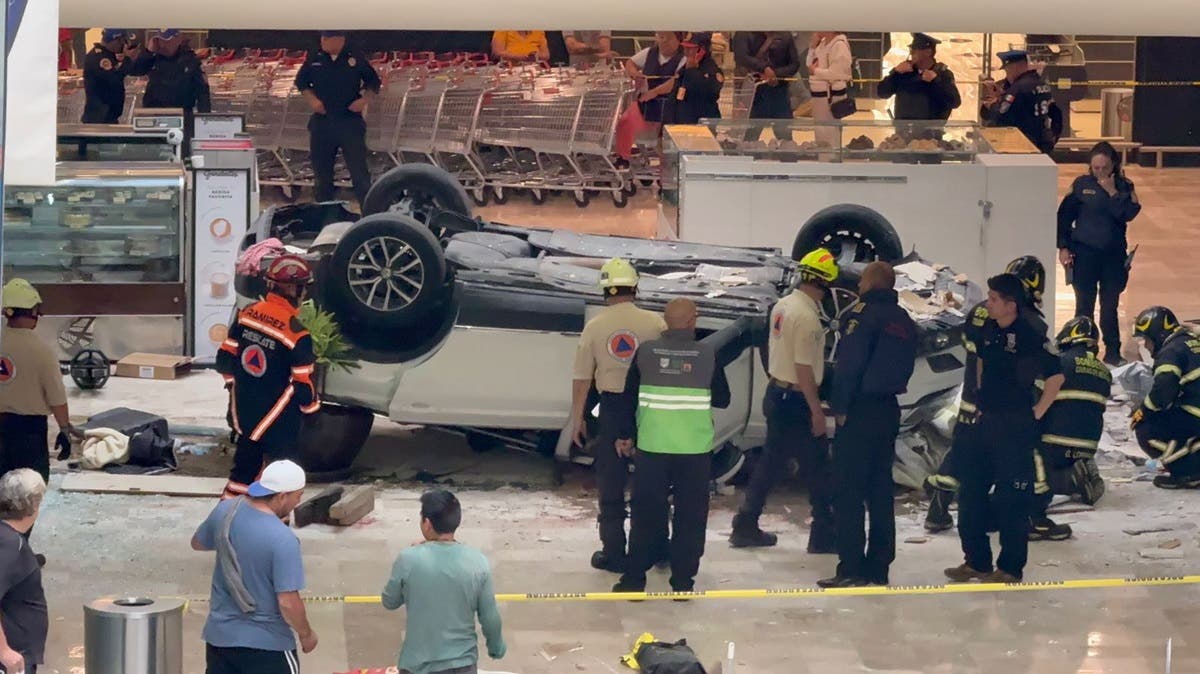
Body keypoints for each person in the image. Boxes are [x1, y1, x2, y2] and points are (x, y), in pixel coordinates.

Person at [945, 273, 1063, 584]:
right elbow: (981, 361)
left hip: (1015, 426)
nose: (988, 303)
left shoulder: (1031, 333)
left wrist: (1036, 413)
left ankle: (1009, 567)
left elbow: (1055, 377)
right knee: (971, 492)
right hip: (985, 422)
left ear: (1011, 305)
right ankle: (977, 561)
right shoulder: (989, 328)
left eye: (994, 299)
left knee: (1012, 499)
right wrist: (982, 397)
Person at [612, 299, 731, 594]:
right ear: (693, 321)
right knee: (690, 517)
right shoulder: (708, 355)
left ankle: (634, 580)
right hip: (694, 451)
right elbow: (723, 398)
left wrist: (625, 435)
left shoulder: (646, 352)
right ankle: (682, 583)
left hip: (653, 448)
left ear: (666, 322)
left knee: (645, 514)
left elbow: (627, 398)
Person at [923, 256, 1048, 533]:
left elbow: (974, 351)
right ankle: (1022, 516)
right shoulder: (1023, 321)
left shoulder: (981, 310)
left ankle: (939, 508)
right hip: (1002, 405)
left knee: (963, 451)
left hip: (971, 397)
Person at [730, 248, 839, 552]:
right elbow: (804, 367)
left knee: (772, 462)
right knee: (817, 467)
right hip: (797, 400)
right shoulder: (807, 318)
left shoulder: (782, 306)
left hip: (778, 393)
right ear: (823, 285)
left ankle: (746, 524)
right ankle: (823, 535)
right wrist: (816, 410)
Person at [819, 262, 917, 588]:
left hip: (859, 410)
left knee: (848, 491)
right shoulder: (903, 319)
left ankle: (850, 568)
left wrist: (840, 406)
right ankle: (879, 567)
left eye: (861, 280)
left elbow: (849, 364)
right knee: (880, 491)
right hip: (888, 408)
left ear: (870, 282)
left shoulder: (860, 316)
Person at [571, 258, 667, 573]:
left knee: (611, 484)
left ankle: (614, 553)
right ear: (635, 287)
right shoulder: (656, 323)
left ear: (605, 290)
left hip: (612, 409)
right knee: (653, 481)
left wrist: (578, 418)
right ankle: (658, 549)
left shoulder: (595, 326)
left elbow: (583, 378)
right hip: (649, 409)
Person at [192, 460, 316, 674]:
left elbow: (198, 543)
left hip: (219, 640)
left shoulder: (225, 511)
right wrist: (306, 634)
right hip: (267, 646)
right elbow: (287, 601)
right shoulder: (283, 539)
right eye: (298, 495)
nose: (298, 502)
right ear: (281, 496)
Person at [216, 256, 320, 500]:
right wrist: (313, 412)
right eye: (303, 288)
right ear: (295, 290)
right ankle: (274, 527)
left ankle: (224, 521)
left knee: (242, 472)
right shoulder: (297, 333)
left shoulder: (246, 315)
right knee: (283, 480)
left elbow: (224, 359)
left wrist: (233, 387)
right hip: (279, 421)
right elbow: (303, 386)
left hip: (244, 413)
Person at [382, 490, 506, 674]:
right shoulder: (478, 561)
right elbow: (490, 617)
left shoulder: (408, 559)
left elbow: (389, 601)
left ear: (427, 523)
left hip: (418, 665)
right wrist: (496, 648)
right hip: (463, 664)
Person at [1057, 141, 1141, 365]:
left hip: (1112, 257)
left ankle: (1113, 352)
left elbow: (1128, 213)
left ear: (1113, 165)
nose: (1100, 172)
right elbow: (1064, 217)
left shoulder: (1124, 187)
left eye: (1104, 168)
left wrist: (1112, 191)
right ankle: (1081, 351)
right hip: (1084, 254)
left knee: (1109, 307)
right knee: (1083, 305)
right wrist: (1063, 247)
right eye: (1096, 168)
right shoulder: (1081, 185)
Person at [1030, 316, 1111, 541]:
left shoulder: (1060, 363)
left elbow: (1034, 399)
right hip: (1087, 447)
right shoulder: (1105, 371)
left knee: (1025, 461)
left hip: (1054, 443)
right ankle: (1077, 474)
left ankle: (1062, 485)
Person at [0, 279, 81, 485]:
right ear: (33, 311)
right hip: (29, 433)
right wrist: (64, 429)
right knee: (27, 496)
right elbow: (56, 398)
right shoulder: (42, 352)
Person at [294, 31, 381, 206]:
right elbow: (301, 82)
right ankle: (324, 214)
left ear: (340, 39)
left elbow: (373, 82)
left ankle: (368, 212)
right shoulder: (316, 57)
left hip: (349, 121)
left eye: (327, 38)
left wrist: (363, 101)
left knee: (359, 173)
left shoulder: (354, 57)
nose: (323, 42)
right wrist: (313, 101)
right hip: (323, 121)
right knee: (322, 174)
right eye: (322, 38)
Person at [1130, 306, 1200, 489]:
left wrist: (1143, 410)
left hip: (1196, 414)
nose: (1145, 345)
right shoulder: (1191, 342)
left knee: (1146, 428)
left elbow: (1163, 391)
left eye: (1146, 339)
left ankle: (1187, 471)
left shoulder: (1170, 352)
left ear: (1157, 335)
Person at [0, 470, 47, 674]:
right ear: (34, 505)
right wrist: (3, 651)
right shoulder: (11, 547)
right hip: (14, 657)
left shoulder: (8, 538)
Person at [980, 49, 1059, 154]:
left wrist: (992, 104)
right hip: (1042, 140)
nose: (1007, 75)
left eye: (1007, 70)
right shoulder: (1042, 84)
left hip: (1021, 142)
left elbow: (1002, 115)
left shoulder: (1018, 88)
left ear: (1015, 67)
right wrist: (1002, 96)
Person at [877, 33, 961, 121]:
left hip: (931, 131)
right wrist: (895, 72)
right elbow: (882, 93)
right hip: (904, 130)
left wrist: (936, 81)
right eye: (911, 50)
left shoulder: (943, 74)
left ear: (928, 52)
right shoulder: (904, 73)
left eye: (914, 51)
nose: (911, 53)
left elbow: (954, 102)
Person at [128, 29, 212, 115]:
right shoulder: (152, 58)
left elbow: (203, 91)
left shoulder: (190, 60)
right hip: (154, 112)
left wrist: (204, 117)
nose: (162, 44)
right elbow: (135, 71)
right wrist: (149, 52)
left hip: (182, 113)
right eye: (160, 40)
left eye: (166, 41)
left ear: (178, 39)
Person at [732, 31, 801, 134]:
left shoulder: (784, 34)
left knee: (785, 137)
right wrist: (764, 68)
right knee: (748, 137)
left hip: (779, 93)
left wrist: (775, 74)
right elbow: (741, 57)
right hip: (752, 93)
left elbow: (794, 64)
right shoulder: (744, 33)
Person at [625, 32, 686, 126]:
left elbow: (677, 80)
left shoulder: (684, 57)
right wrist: (635, 74)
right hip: (645, 105)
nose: (664, 41)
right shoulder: (649, 52)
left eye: (668, 38)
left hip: (670, 107)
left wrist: (655, 92)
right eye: (661, 37)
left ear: (678, 40)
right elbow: (630, 63)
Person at [806, 32, 853, 148]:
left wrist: (815, 71)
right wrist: (812, 47)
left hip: (830, 96)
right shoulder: (822, 43)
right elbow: (809, 64)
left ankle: (831, 160)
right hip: (819, 95)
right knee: (820, 132)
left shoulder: (839, 45)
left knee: (830, 132)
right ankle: (823, 159)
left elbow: (837, 73)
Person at [82, 29, 138, 124]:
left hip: (108, 115)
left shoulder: (108, 55)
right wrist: (128, 59)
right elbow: (114, 78)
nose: (124, 46)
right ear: (116, 40)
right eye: (123, 42)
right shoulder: (99, 58)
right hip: (99, 116)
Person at [672, 33, 723, 125]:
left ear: (701, 50)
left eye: (690, 48)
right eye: (685, 48)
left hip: (703, 120)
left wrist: (692, 71)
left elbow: (709, 92)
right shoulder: (683, 68)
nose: (686, 52)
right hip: (684, 120)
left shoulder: (712, 70)